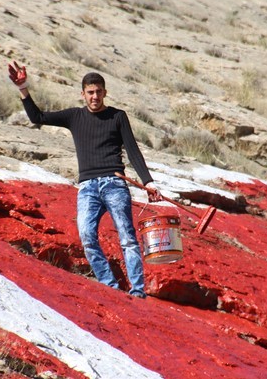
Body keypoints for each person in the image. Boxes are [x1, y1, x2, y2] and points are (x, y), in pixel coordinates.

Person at [8, 61, 162, 298]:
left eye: (99, 92)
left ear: (105, 92)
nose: (95, 96)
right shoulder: (74, 116)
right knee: (87, 236)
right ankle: (110, 286)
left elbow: (133, 151)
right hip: (88, 187)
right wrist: (23, 87)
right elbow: (36, 116)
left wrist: (148, 182)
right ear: (83, 94)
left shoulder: (118, 117)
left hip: (115, 183)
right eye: (90, 92)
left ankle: (137, 291)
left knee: (127, 238)